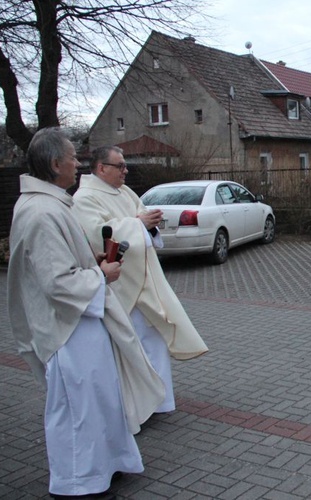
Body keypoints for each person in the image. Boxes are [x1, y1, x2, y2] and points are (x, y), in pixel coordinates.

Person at [7, 128, 165, 498]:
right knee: (78, 407)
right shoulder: (42, 211)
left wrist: (89, 261)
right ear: (54, 163)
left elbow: (60, 263)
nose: (78, 164)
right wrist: (101, 274)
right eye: (72, 157)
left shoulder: (52, 204)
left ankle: (107, 465)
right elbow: (57, 283)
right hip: (67, 326)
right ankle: (78, 481)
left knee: (101, 399)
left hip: (82, 322)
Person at [73, 146, 208, 413]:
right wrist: (138, 223)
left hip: (145, 279)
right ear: (101, 168)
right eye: (120, 165)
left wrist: (149, 223)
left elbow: (140, 219)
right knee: (131, 348)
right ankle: (137, 407)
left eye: (125, 165)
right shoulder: (84, 198)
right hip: (121, 285)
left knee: (154, 340)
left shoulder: (125, 191)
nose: (126, 170)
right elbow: (97, 234)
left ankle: (160, 401)